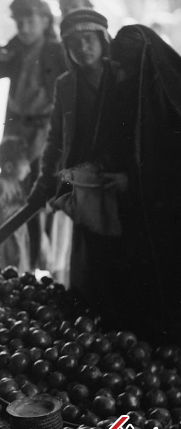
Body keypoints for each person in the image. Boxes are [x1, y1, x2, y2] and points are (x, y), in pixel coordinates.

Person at [28, 9, 129, 330]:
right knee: (87, 257)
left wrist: (130, 176)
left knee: (122, 258)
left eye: (89, 39)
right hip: (84, 185)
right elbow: (55, 139)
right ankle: (89, 325)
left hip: (119, 182)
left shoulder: (124, 79)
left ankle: (119, 324)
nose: (83, 47)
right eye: (74, 43)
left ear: (103, 40)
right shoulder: (66, 84)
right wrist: (43, 185)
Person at [0, 0, 67, 270]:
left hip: (46, 132)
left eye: (31, 21)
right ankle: (18, 263)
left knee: (40, 194)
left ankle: (41, 261)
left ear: (45, 21)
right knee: (14, 194)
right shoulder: (16, 48)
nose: (25, 28)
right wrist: (0, 54)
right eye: (19, 22)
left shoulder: (55, 50)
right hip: (16, 134)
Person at [108, 25, 181, 341]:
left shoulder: (169, 89)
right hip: (143, 197)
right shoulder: (130, 86)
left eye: (128, 64)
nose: (123, 72)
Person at [0, 136, 32, 273]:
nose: (29, 169)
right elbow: (0, 213)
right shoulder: (1, 185)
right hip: (2, 241)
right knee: (1, 272)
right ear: (9, 167)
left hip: (15, 238)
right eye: (25, 164)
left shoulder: (15, 184)